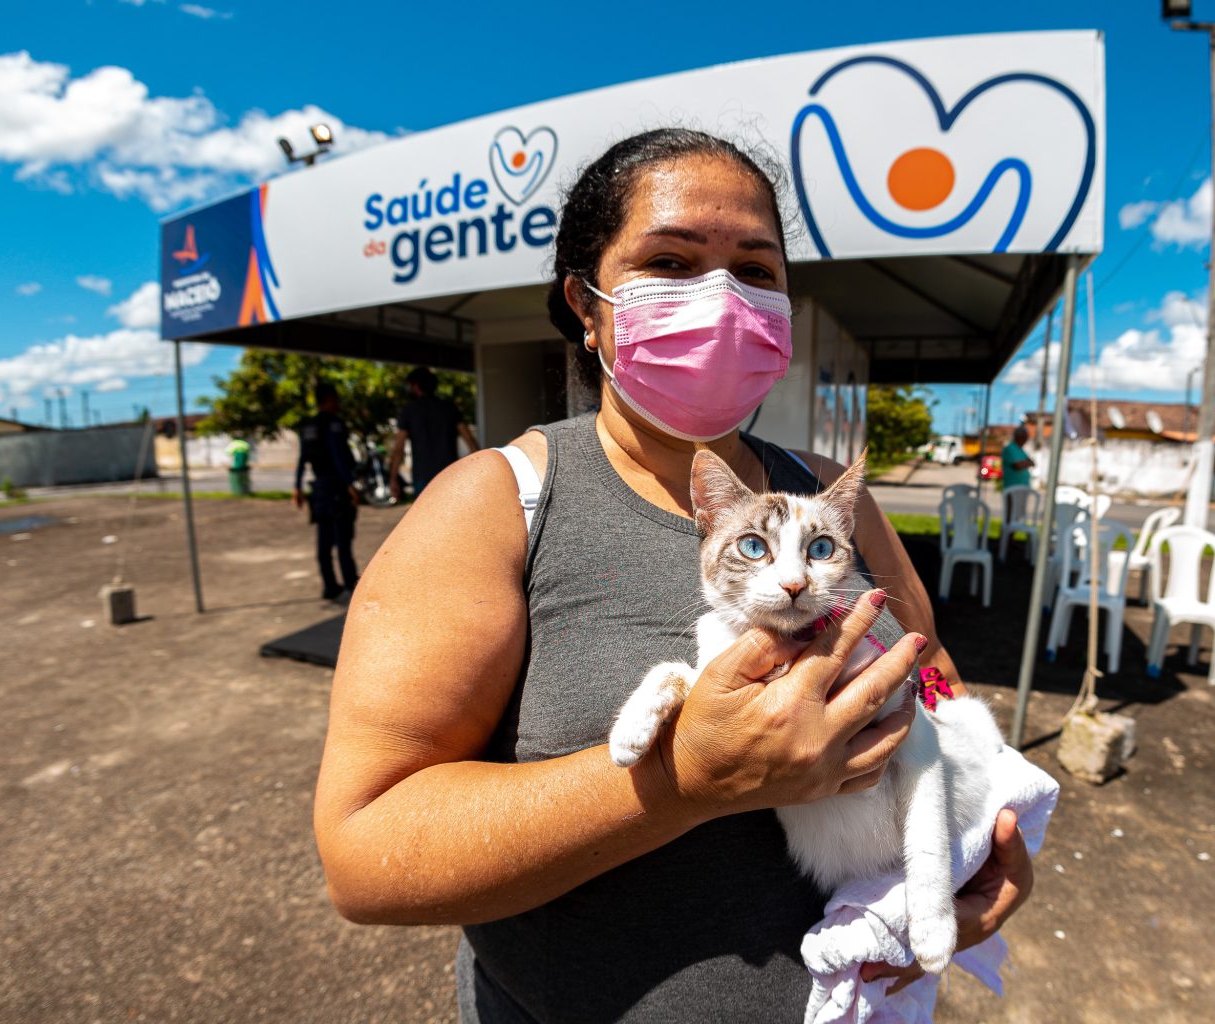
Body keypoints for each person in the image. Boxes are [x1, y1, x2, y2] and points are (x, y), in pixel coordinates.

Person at [313, 129, 1033, 1024]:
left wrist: (980, 852)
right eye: (669, 260)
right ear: (588, 302)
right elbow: (364, 852)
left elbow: (931, 679)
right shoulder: (494, 503)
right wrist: (680, 780)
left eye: (757, 272)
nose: (721, 298)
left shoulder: (840, 504)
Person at [292, 383, 361, 601]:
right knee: (342, 539)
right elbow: (337, 455)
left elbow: (302, 458)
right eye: (336, 399)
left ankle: (330, 586)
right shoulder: (334, 424)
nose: (338, 403)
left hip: (319, 488)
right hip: (337, 487)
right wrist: (349, 484)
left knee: (324, 539)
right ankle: (351, 583)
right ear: (328, 400)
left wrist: (297, 486)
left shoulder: (308, 426)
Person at [387, 366, 479, 501]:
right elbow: (470, 440)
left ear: (416, 386)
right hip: (450, 474)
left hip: (423, 477)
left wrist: (393, 478)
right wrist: (478, 470)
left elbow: (398, 449)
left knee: (426, 519)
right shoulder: (449, 408)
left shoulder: (409, 411)